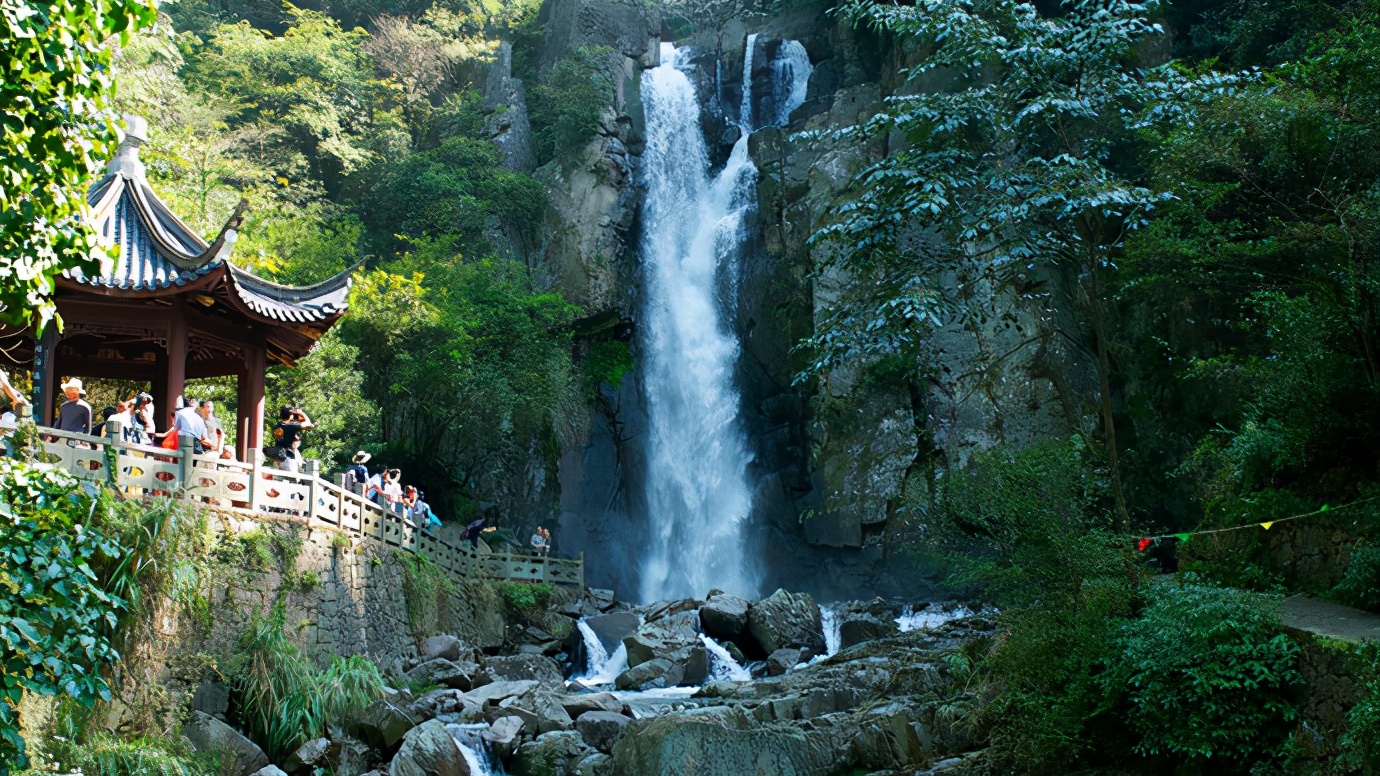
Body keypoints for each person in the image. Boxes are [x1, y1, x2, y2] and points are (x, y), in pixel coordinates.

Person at [271, 405, 313, 472]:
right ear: (290, 415)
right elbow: (309, 423)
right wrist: (301, 413)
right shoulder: (291, 426)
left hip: (278, 459)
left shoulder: (276, 426)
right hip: (288, 459)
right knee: (292, 479)